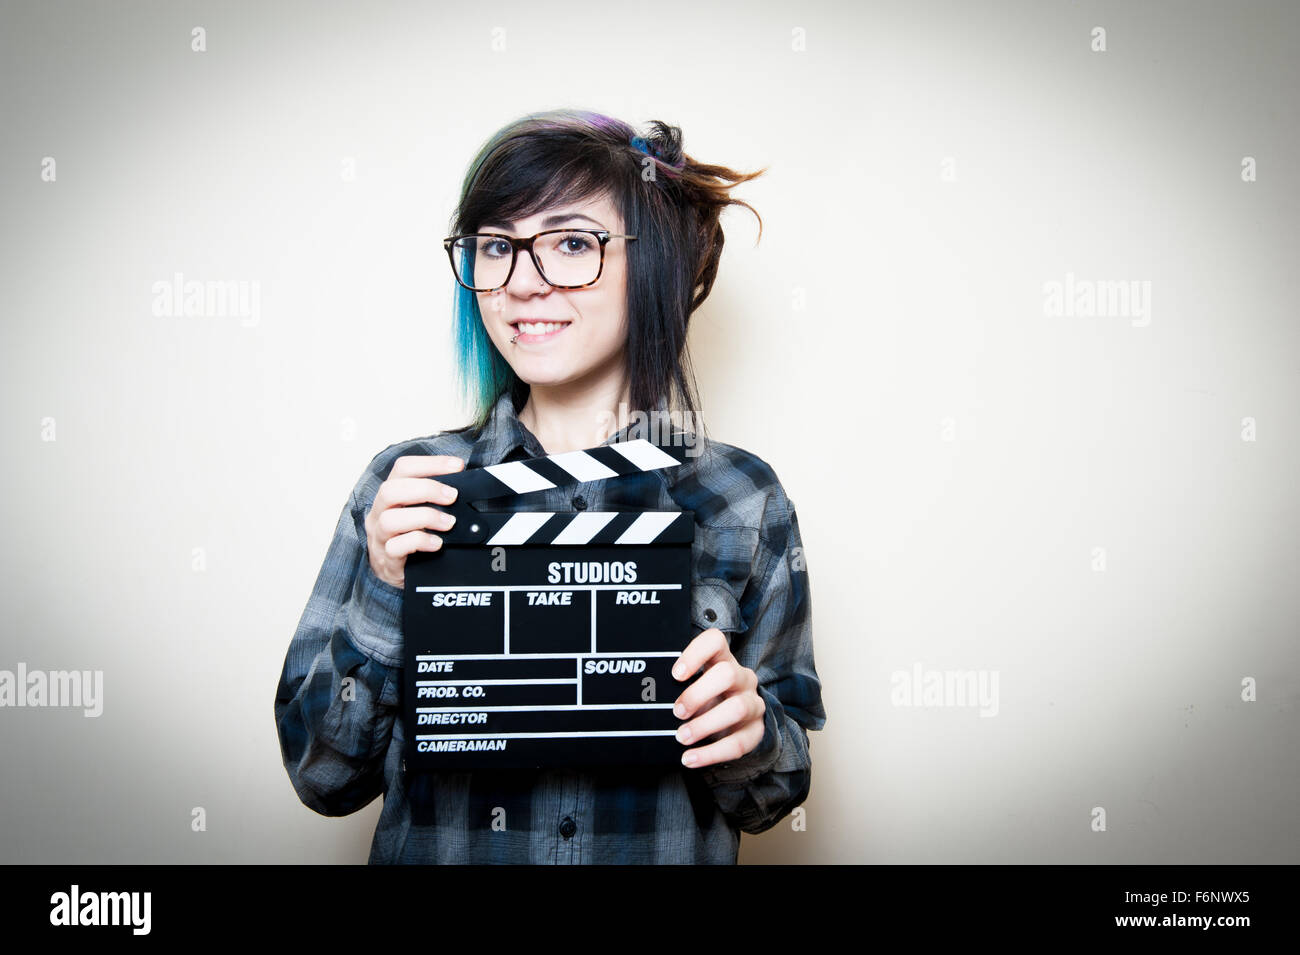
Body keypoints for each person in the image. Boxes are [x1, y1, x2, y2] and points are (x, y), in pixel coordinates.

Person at [274, 109, 826, 863]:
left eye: (572, 243)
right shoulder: (408, 485)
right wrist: (382, 586)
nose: (522, 284)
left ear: (652, 263)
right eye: (496, 247)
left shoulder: (742, 500)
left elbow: (775, 799)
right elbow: (323, 778)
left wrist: (750, 730)